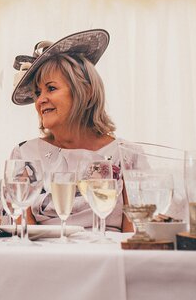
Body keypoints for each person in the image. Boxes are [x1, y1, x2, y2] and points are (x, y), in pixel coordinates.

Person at [8, 29, 132, 232]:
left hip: (108, 260)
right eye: (37, 92)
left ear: (86, 91)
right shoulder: (24, 155)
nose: (40, 100)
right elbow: (19, 237)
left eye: (51, 88)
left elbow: (137, 240)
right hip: (44, 261)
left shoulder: (126, 155)